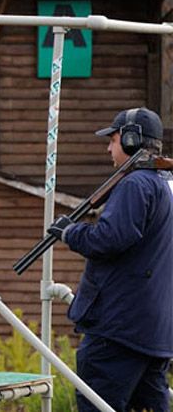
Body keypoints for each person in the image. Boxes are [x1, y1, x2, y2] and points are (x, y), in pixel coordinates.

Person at [47, 107, 173, 412]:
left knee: (96, 405)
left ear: (131, 140)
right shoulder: (164, 184)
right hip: (154, 332)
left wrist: (70, 233)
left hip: (119, 330)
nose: (108, 148)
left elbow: (109, 239)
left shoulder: (134, 184)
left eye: (113, 140)